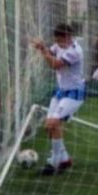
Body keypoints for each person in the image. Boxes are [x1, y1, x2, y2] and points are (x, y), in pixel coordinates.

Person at [32, 23, 85, 176]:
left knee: (53, 123)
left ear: (68, 37)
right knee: (50, 126)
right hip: (61, 92)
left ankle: (54, 162)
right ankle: (64, 159)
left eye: (60, 40)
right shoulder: (58, 45)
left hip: (75, 93)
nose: (58, 43)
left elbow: (55, 64)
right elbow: (51, 52)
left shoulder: (75, 51)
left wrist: (43, 51)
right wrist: (43, 47)